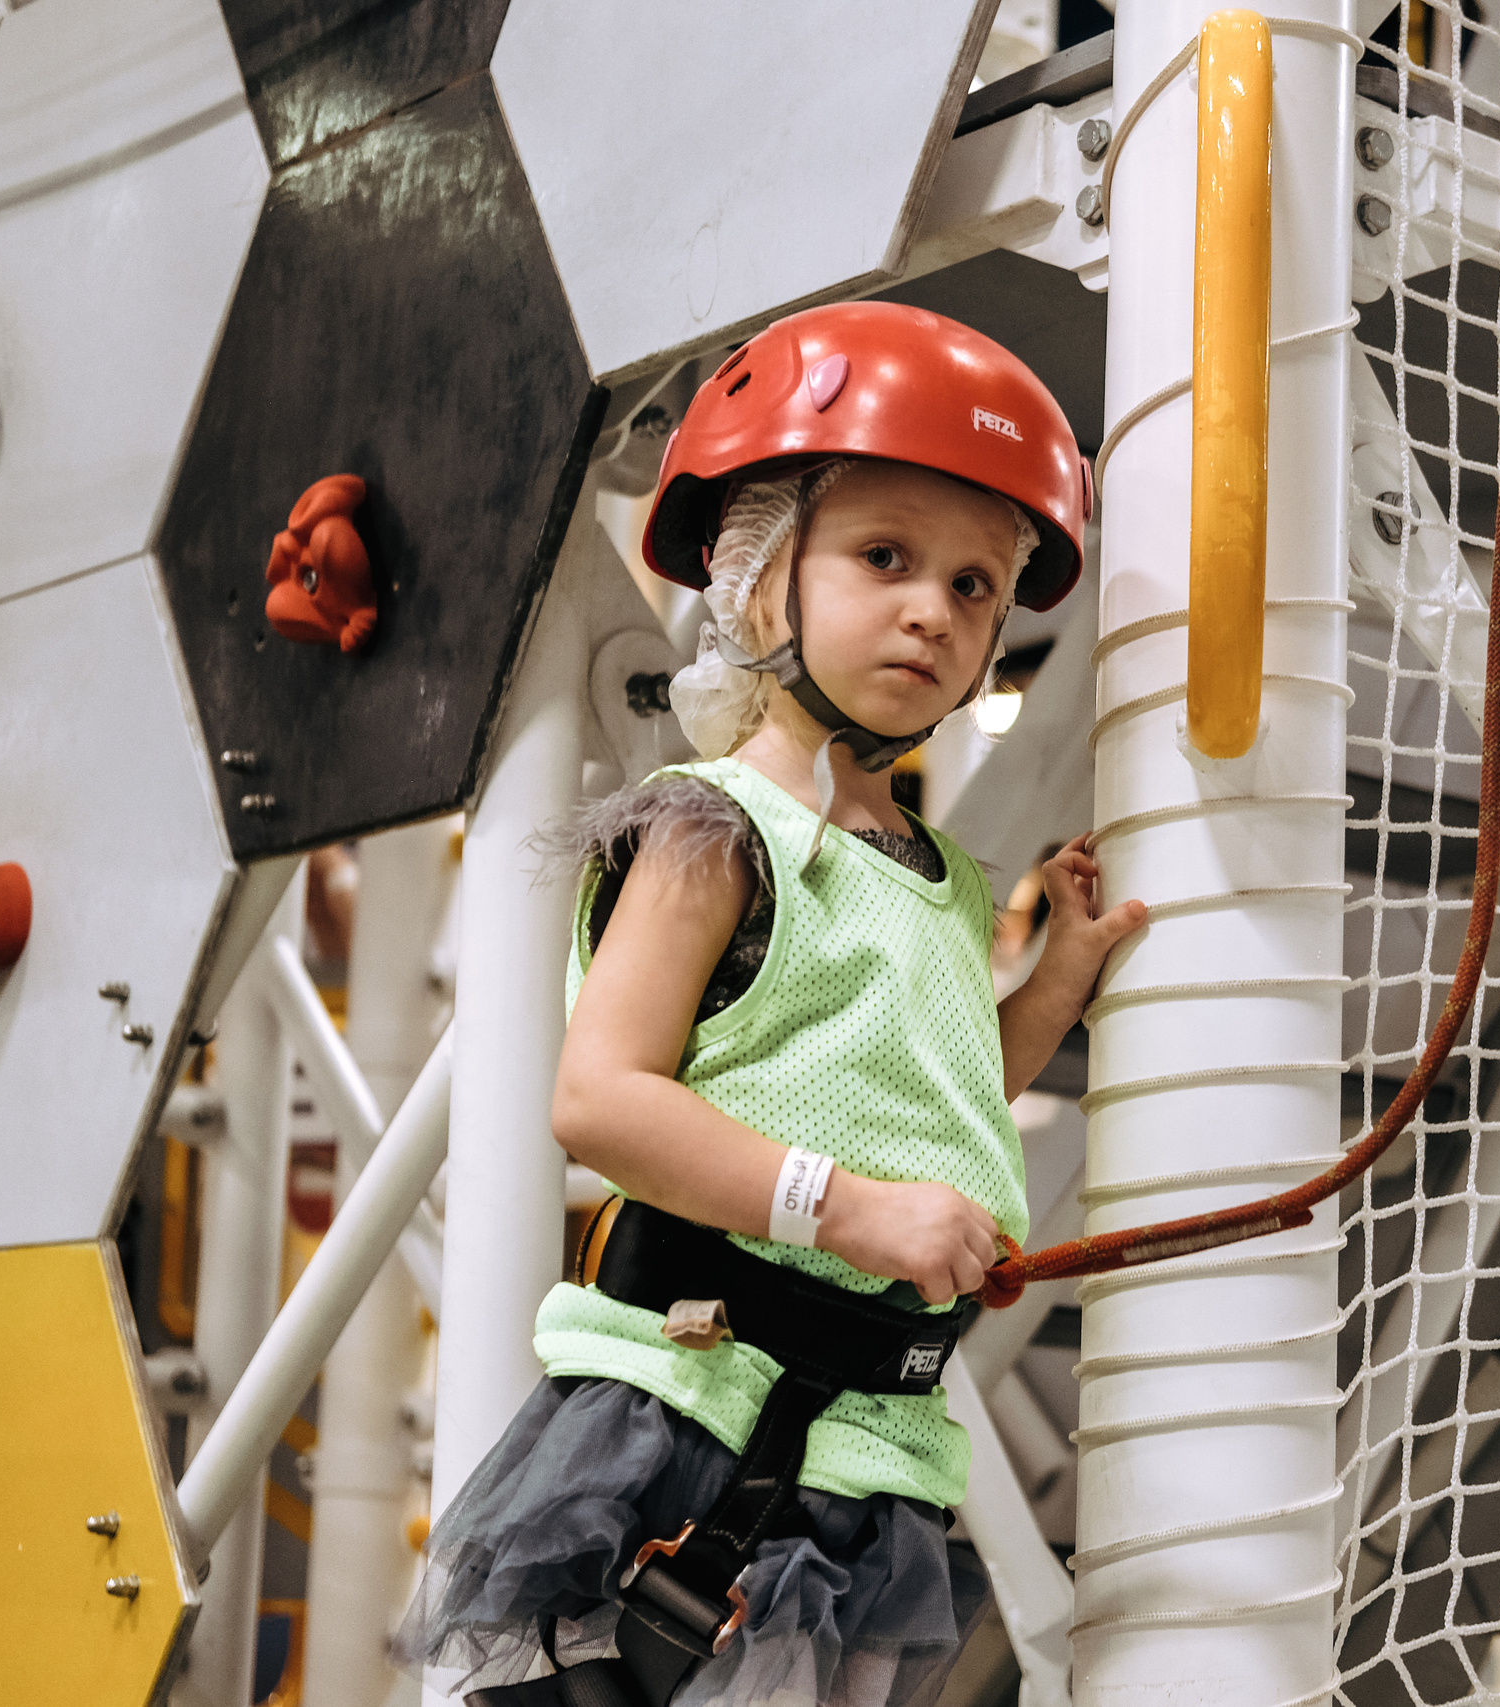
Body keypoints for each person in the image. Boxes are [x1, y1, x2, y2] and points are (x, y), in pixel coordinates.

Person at [397, 303, 1145, 1707]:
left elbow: (944, 1089)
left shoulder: (941, 878)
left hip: (870, 1451)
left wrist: (1053, 980)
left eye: (979, 587)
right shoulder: (708, 828)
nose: (935, 607)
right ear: (755, 584)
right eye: (884, 558)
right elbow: (600, 1098)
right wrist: (851, 1212)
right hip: (691, 1429)